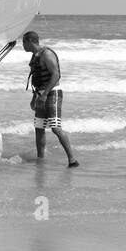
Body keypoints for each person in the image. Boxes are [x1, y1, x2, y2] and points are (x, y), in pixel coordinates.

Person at [22, 30, 78, 166]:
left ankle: (72, 160)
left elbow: (56, 75)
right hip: (41, 94)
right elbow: (37, 78)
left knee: (55, 127)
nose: (22, 45)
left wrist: (45, 94)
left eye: (23, 42)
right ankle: (40, 159)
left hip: (52, 93)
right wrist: (35, 97)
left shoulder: (46, 54)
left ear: (30, 41)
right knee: (39, 127)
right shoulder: (34, 56)